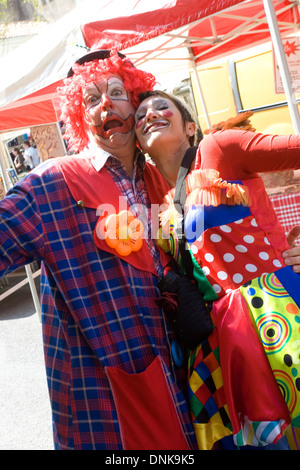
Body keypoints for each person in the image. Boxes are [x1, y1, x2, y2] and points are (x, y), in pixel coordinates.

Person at [0, 50, 200, 451]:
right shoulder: (52, 183)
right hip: (103, 399)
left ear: (137, 101)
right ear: (79, 116)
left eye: (116, 92)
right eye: (91, 99)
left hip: (184, 382)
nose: (106, 104)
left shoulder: (162, 176)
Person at [135, 90, 300, 450]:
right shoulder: (160, 201)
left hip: (278, 314)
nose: (149, 114)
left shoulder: (219, 148)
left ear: (191, 126)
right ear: (140, 146)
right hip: (220, 343)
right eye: (140, 115)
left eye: (162, 106)